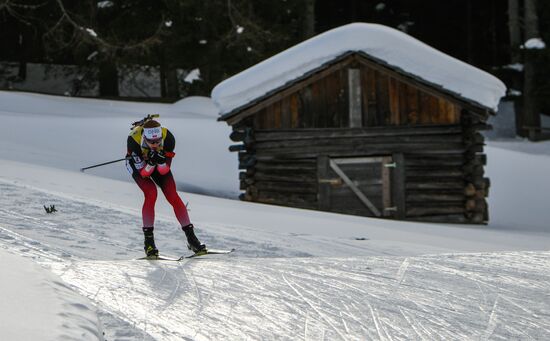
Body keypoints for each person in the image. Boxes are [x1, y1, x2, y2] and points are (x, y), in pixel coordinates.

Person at [126, 118, 206, 257]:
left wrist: (161, 161)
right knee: (151, 194)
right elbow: (144, 174)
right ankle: (149, 243)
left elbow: (164, 171)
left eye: (158, 141)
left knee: (172, 195)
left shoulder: (168, 138)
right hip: (139, 167)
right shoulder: (134, 141)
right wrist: (150, 163)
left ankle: (192, 239)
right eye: (151, 142)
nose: (155, 144)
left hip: (154, 164)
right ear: (145, 137)